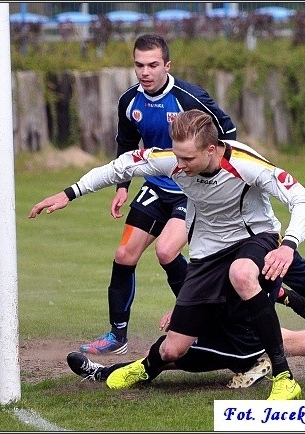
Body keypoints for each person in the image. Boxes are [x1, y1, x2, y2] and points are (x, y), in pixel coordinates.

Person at [29, 109, 305, 400]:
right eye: (177, 156)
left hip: (254, 237)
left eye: (188, 158)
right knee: (173, 348)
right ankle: (143, 370)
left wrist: (288, 245)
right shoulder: (172, 161)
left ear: (212, 150)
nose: (180, 164)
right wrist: (68, 193)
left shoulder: (247, 165)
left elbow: (303, 201)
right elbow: (119, 167)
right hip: (207, 250)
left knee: (241, 273)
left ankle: (284, 378)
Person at [79, 33, 237, 355]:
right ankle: (117, 336)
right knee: (124, 255)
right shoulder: (129, 102)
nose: (145, 72)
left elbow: (228, 131)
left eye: (153, 65)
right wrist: (122, 187)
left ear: (167, 65)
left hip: (190, 192)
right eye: (139, 65)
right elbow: (125, 145)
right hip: (155, 186)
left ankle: (196, 324)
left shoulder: (189, 97)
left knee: (166, 252)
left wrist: (216, 177)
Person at [66, 305, 305, 388]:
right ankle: (260, 359)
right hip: (250, 330)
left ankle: (105, 374)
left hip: (243, 338)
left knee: (170, 350)